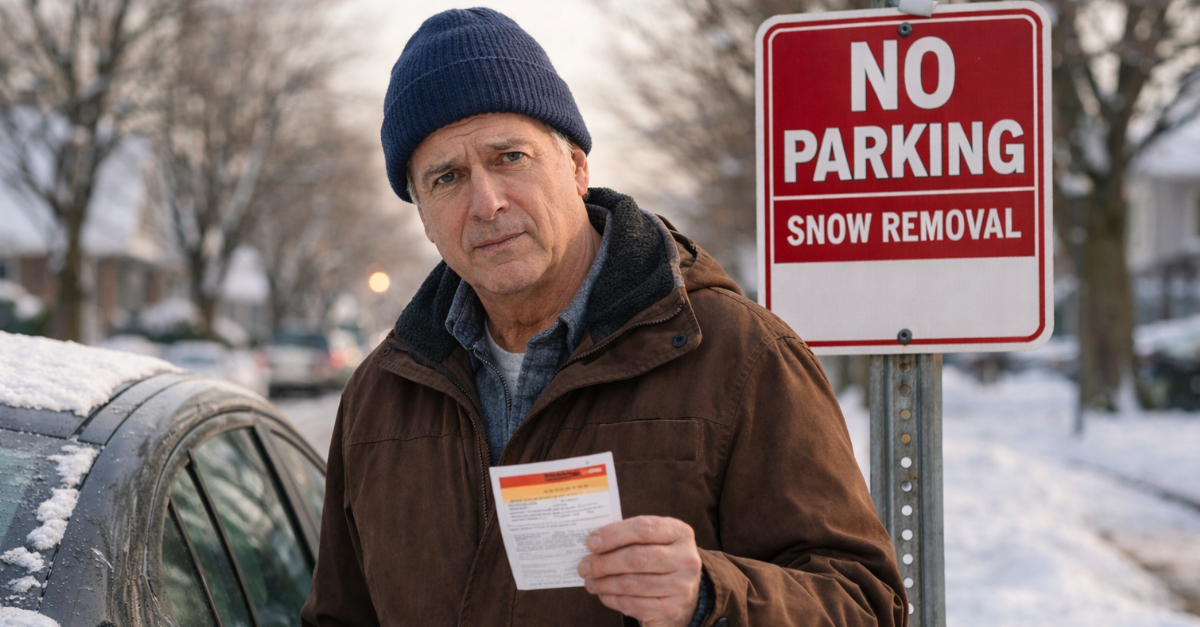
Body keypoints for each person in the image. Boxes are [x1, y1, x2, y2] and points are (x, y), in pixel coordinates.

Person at [301, 7, 906, 627]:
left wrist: (710, 597)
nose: (486, 202)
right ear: (423, 215)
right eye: (447, 178)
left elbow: (868, 605)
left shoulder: (739, 354)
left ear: (577, 167)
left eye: (510, 157)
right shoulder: (379, 397)